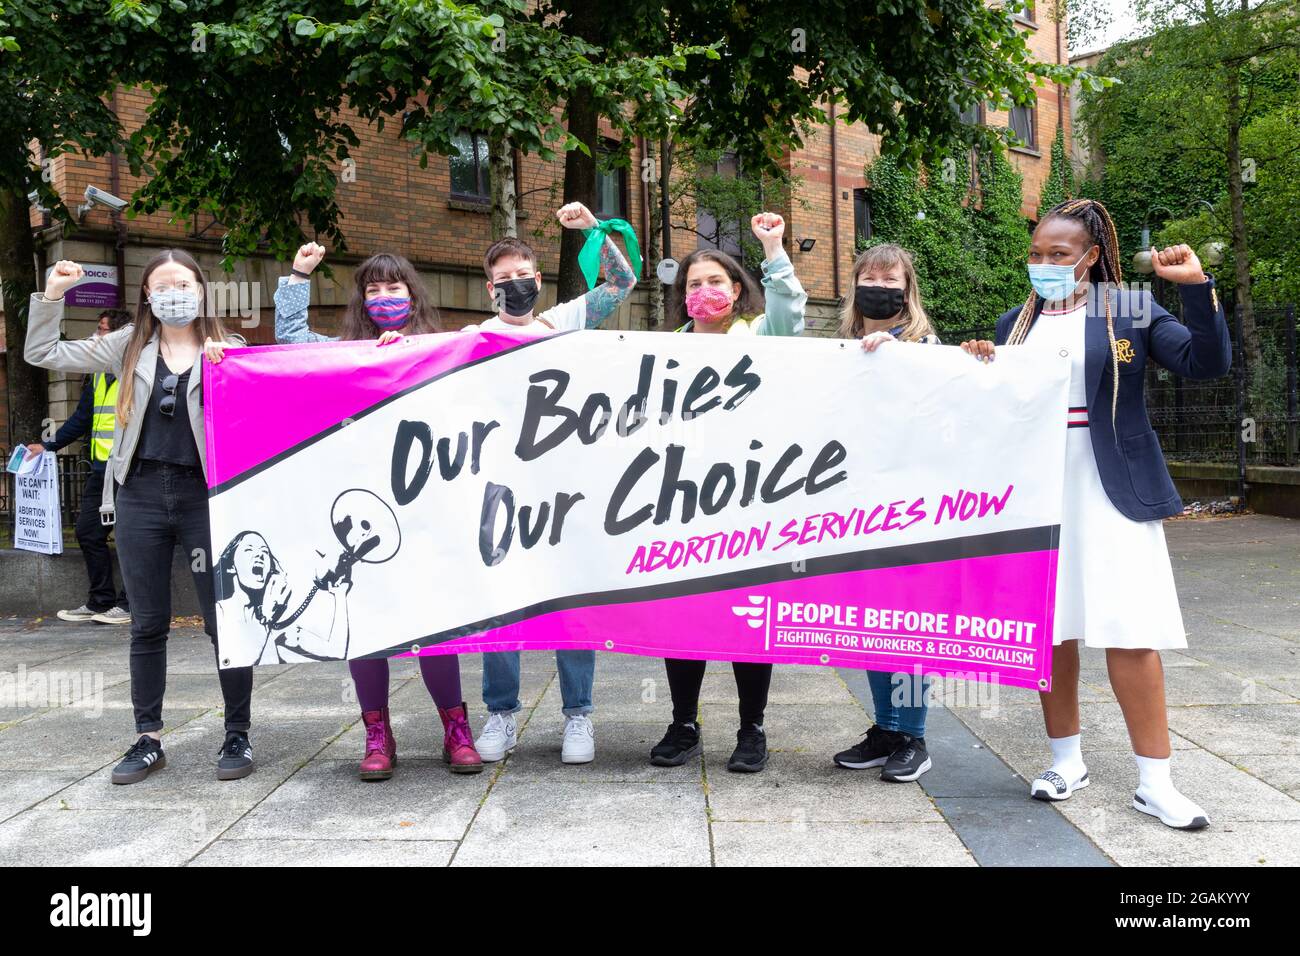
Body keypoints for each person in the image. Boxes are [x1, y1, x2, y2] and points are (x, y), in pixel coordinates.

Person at [959, 197, 1230, 830]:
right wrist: (977, 369)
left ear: (1092, 257)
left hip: (1115, 486)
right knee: (1051, 629)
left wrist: (1194, 288)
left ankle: (1155, 781)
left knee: (1131, 631)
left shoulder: (1129, 309)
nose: (1044, 265)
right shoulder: (1012, 324)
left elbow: (1205, 364)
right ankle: (1066, 760)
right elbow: (996, 412)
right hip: (1039, 490)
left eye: (1058, 255)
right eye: (1036, 254)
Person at [26, 251, 256, 785]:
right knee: (147, 623)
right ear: (147, 296)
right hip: (140, 495)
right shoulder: (126, 346)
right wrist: (54, 294)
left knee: (225, 621)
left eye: (184, 283)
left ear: (201, 289)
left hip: (207, 496)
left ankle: (237, 733)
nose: (174, 292)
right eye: (162, 286)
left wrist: (230, 373)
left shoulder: (230, 350)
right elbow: (41, 351)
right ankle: (148, 737)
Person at [275, 244, 483, 776]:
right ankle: (377, 733)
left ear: (412, 294)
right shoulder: (343, 350)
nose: (384, 297)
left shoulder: (440, 349)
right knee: (366, 623)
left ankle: (455, 728)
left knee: (433, 621)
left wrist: (408, 354)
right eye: (373, 289)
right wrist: (299, 276)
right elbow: (291, 342)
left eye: (394, 287)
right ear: (361, 301)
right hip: (363, 507)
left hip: (425, 504)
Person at [469, 201, 638, 766]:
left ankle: (578, 717)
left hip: (565, 490)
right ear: (488, 287)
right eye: (503, 280)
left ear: (538, 280)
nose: (515, 286)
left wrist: (593, 230)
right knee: (501, 605)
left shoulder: (561, 321)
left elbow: (622, 282)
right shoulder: (473, 338)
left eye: (524, 276)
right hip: (499, 492)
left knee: (569, 601)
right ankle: (501, 713)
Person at [649, 211, 807, 773]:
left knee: (746, 615)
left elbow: (790, 312)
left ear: (737, 291)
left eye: (716, 281)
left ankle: (752, 728)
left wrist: (773, 249)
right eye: (694, 284)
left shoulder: (759, 336)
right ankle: (684, 723)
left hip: (746, 499)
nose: (705, 291)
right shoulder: (663, 349)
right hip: (680, 501)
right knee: (681, 614)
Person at [829, 243, 941, 783]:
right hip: (856, 508)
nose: (878, 284)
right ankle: (887, 729)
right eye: (868, 276)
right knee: (872, 623)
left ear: (907, 287)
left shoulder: (927, 345)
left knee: (908, 624)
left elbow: (940, 406)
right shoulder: (841, 348)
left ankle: (913, 736)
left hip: (912, 509)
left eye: (889, 277)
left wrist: (898, 358)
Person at [25, 308, 133, 625]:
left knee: (131, 537)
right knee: (87, 532)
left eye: (101, 330)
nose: (95, 336)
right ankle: (100, 601)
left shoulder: (137, 371)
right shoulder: (99, 373)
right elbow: (81, 419)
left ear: (118, 336)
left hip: (129, 472)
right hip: (101, 471)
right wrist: (47, 445)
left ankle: (128, 605)